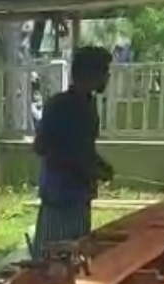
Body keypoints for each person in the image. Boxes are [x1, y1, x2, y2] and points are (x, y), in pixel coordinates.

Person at [31, 46, 114, 259]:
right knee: (53, 258)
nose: (108, 76)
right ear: (90, 74)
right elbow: (42, 146)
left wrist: (99, 165)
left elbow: (83, 147)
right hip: (60, 196)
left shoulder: (88, 105)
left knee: (75, 255)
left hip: (79, 195)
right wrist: (83, 167)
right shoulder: (60, 105)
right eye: (104, 71)